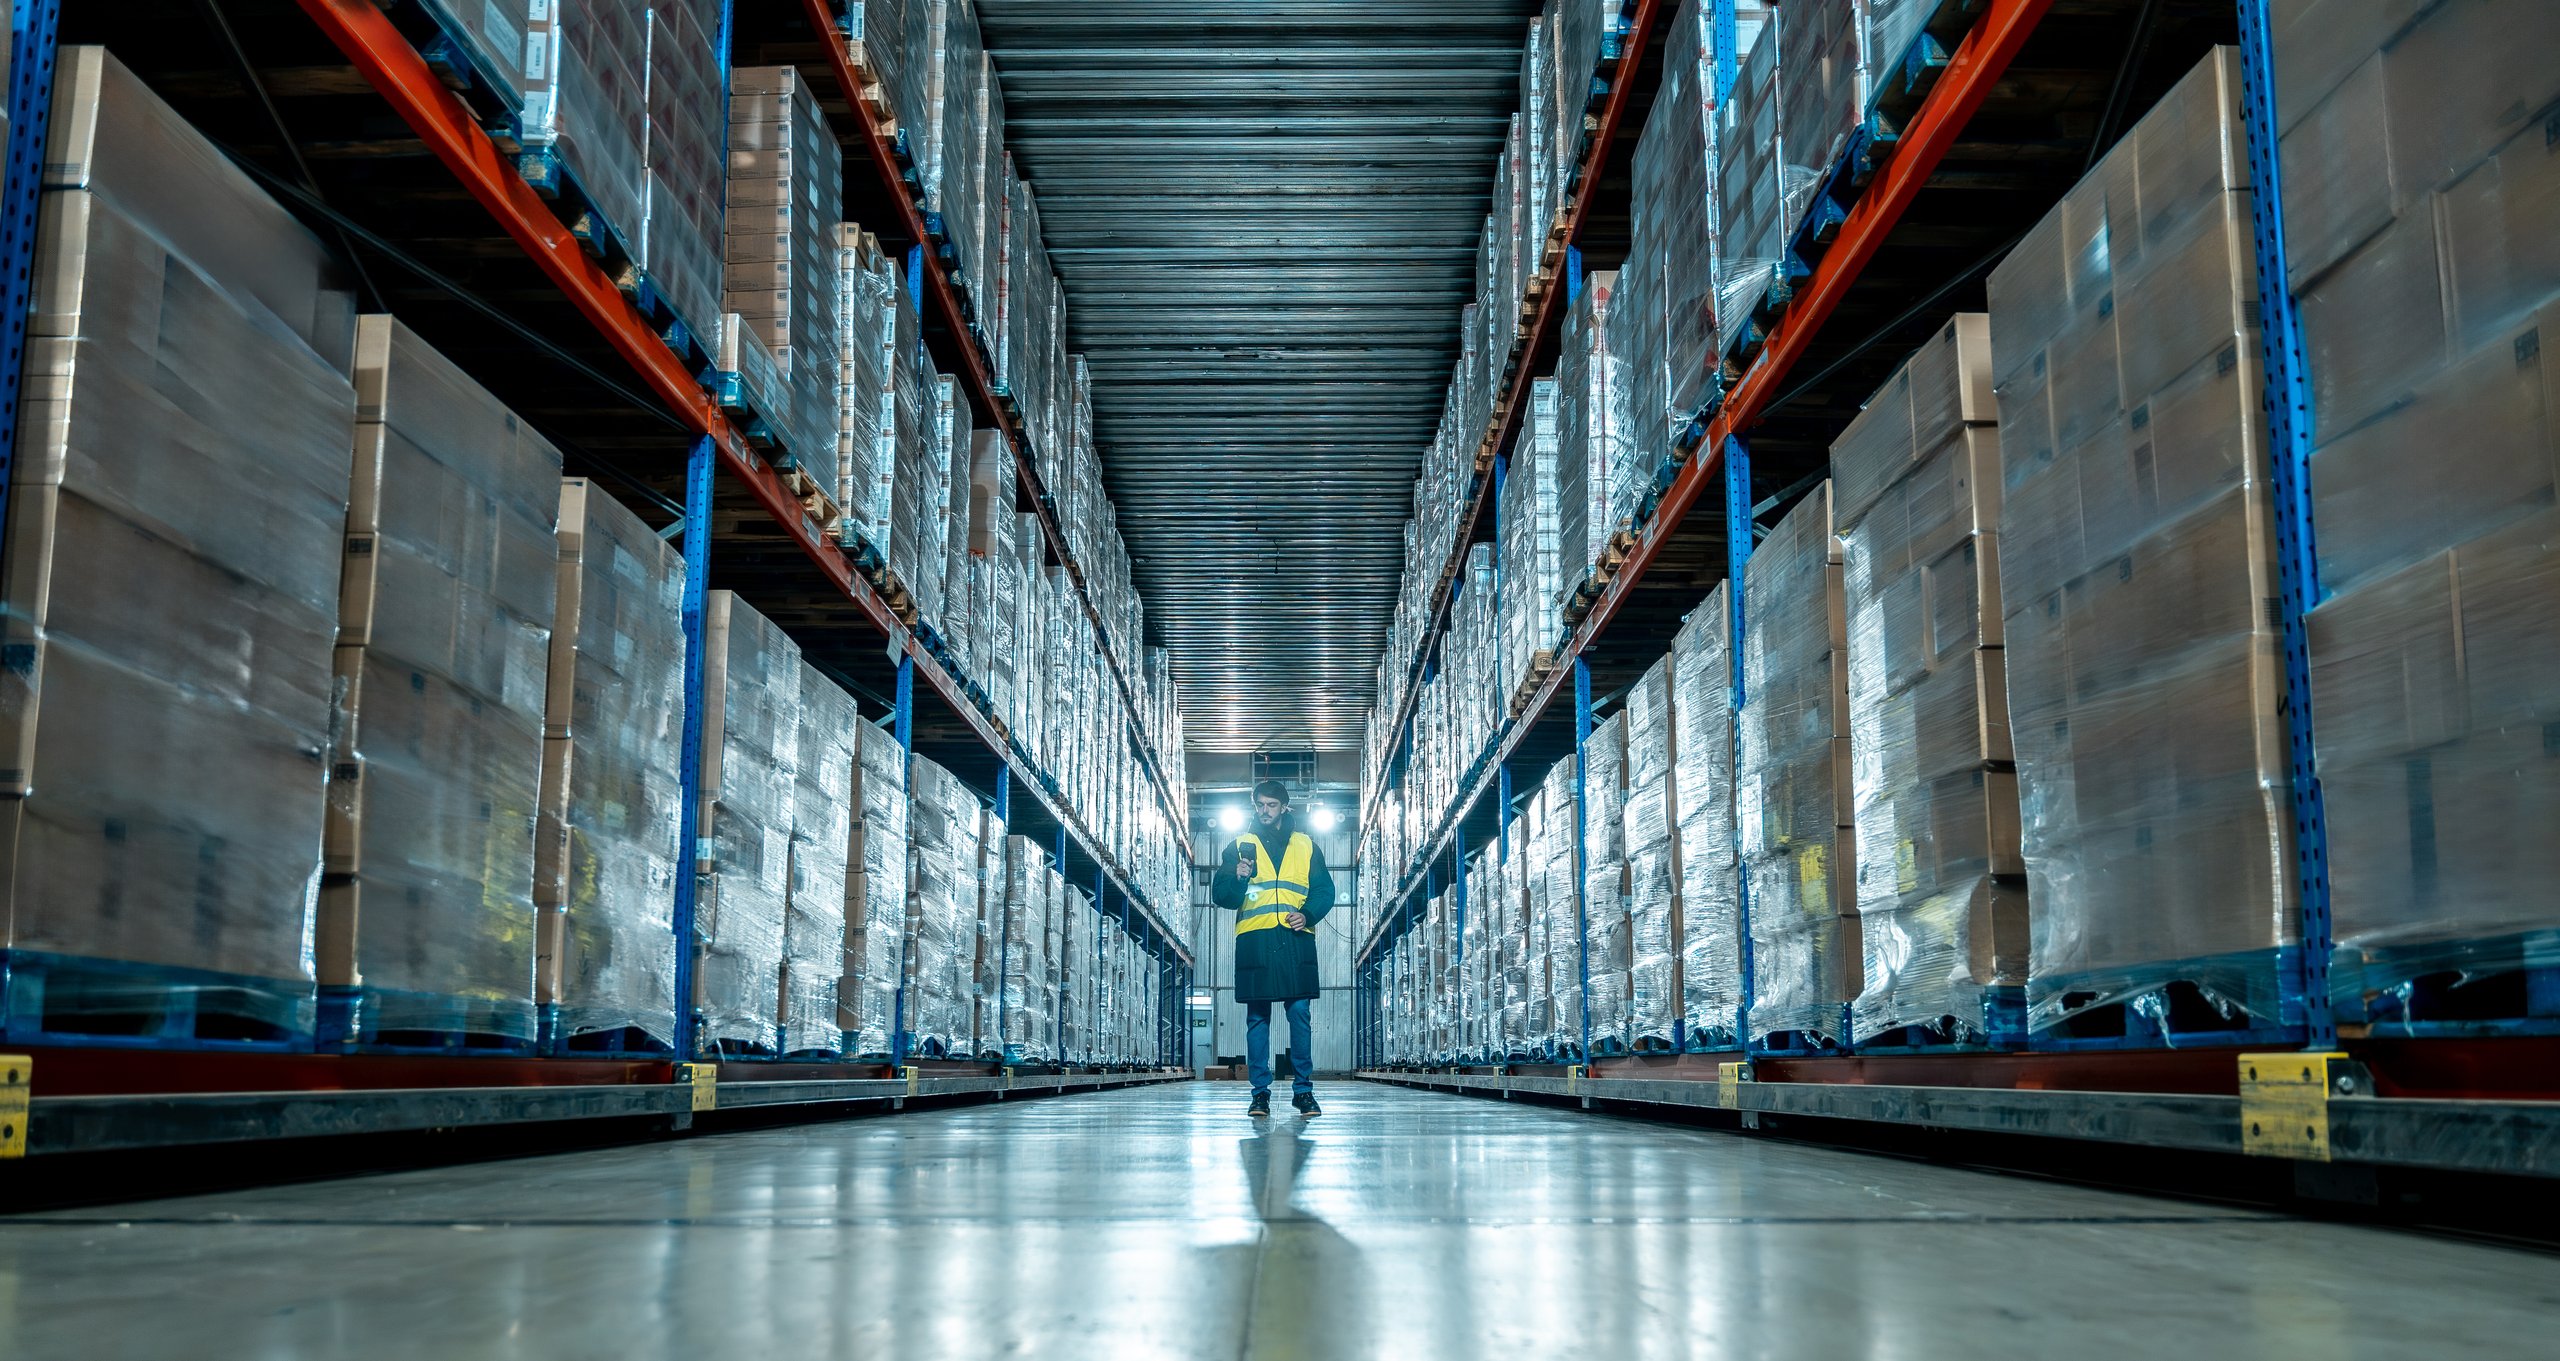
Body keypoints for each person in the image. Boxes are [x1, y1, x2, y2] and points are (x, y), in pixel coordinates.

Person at [1210, 779, 1336, 1117]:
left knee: (1299, 1016)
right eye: (1260, 805)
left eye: (1271, 805)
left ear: (1285, 807)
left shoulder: (1307, 845)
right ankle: (1260, 1094)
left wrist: (1307, 913)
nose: (1264, 811)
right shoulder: (1240, 846)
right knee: (1257, 1019)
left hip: (1295, 940)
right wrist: (1237, 877)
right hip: (1256, 942)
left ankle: (1303, 1092)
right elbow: (1221, 896)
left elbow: (1325, 890)